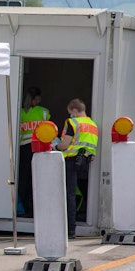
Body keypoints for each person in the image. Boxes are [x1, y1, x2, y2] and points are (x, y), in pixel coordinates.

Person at [57, 98, 97, 239]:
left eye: (70, 112)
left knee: (69, 195)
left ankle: (70, 229)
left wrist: (55, 146)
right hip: (85, 163)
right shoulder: (93, 125)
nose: (70, 115)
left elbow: (64, 145)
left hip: (71, 162)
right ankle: (73, 227)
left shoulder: (73, 123)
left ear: (74, 110)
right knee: (80, 192)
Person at [17, 86, 50, 217]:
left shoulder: (20, 112)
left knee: (23, 179)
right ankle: (33, 208)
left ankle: (22, 207)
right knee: (36, 178)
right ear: (37, 98)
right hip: (37, 149)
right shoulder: (44, 112)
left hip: (23, 149)